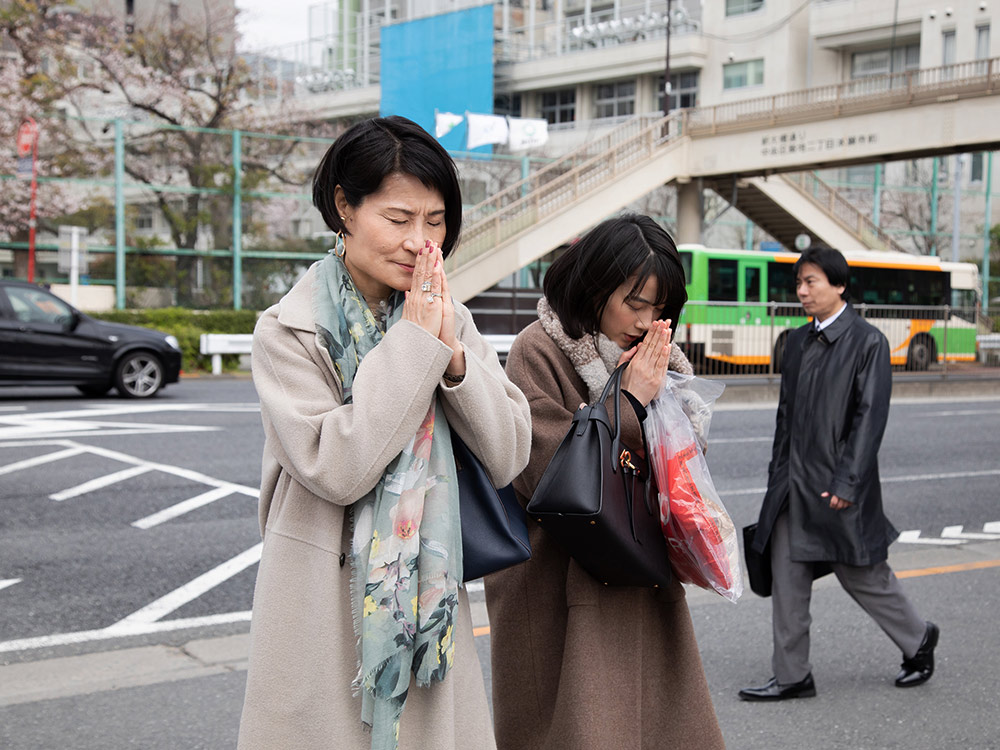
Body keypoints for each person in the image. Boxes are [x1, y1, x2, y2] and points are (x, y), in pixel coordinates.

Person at [237, 116, 532, 750]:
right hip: (320, 596)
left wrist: (452, 358)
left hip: (426, 597)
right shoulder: (289, 330)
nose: (419, 243)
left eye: (435, 221)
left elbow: (510, 451)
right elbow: (336, 467)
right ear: (344, 206)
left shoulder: (447, 315)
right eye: (398, 219)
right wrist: (416, 345)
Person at [485, 214, 726, 750]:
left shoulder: (657, 362)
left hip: (637, 569)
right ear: (594, 287)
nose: (646, 321)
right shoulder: (538, 348)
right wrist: (630, 402)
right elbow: (543, 472)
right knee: (574, 728)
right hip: (556, 583)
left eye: (660, 308)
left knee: (649, 725)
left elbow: (679, 470)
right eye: (634, 302)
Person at [740, 246, 939, 702]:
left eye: (812, 282)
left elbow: (869, 420)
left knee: (863, 574)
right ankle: (792, 676)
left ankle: (918, 639)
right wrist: (777, 478)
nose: (802, 291)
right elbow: (785, 420)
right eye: (799, 283)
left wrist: (848, 483)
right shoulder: (795, 342)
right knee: (787, 572)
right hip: (794, 486)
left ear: (840, 285)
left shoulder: (868, 342)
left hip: (838, 487)